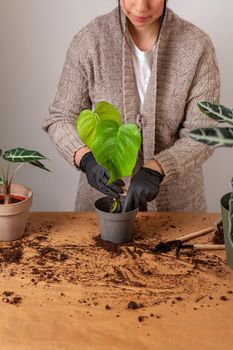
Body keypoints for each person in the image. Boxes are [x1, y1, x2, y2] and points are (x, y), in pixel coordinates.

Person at [43, 0, 220, 212]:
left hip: (177, 211)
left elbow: (204, 133)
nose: (140, 7)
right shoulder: (90, 41)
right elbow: (61, 117)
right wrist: (85, 158)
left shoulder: (197, 45)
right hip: (101, 209)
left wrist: (160, 168)